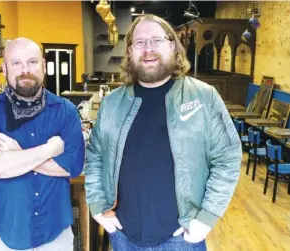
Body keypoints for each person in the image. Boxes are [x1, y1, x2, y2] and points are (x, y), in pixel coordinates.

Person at [84, 14, 242, 251]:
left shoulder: (204, 97)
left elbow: (227, 158)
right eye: (139, 42)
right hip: (123, 236)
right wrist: (97, 206)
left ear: (173, 46)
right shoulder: (111, 105)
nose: (148, 49)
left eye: (156, 40)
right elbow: (95, 156)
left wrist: (206, 217)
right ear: (129, 52)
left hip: (182, 237)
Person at [0, 37, 85, 251]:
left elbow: (71, 167)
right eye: (16, 63)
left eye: (32, 62)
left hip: (55, 234)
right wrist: (49, 149)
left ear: (43, 65)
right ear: (5, 69)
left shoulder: (66, 111)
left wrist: (15, 156)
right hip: (2, 235)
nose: (25, 70)